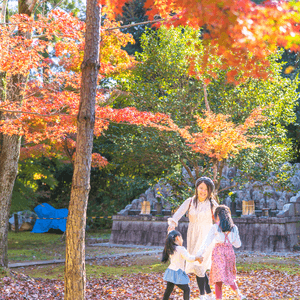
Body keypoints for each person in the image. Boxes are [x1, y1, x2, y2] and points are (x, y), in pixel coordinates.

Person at [167, 177, 218, 300]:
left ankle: (202, 295)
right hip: (193, 235)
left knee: (200, 264)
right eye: (201, 188)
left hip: (207, 236)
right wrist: (172, 224)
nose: (203, 191)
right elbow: (178, 214)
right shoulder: (190, 201)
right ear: (196, 188)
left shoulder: (212, 203)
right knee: (196, 264)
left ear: (210, 191)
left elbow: (221, 218)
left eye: (206, 189)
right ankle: (209, 293)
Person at [196, 205, 244, 300]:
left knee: (218, 279)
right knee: (229, 275)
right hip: (230, 253)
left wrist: (199, 254)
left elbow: (206, 242)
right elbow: (238, 244)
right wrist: (231, 237)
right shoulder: (234, 228)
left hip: (218, 254)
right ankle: (239, 295)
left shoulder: (215, 227)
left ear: (217, 216)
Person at [162, 230, 201, 300]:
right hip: (177, 273)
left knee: (168, 290)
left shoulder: (171, 249)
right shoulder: (181, 249)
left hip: (171, 271)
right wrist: (197, 258)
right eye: (182, 238)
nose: (182, 240)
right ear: (177, 238)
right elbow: (189, 258)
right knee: (187, 289)